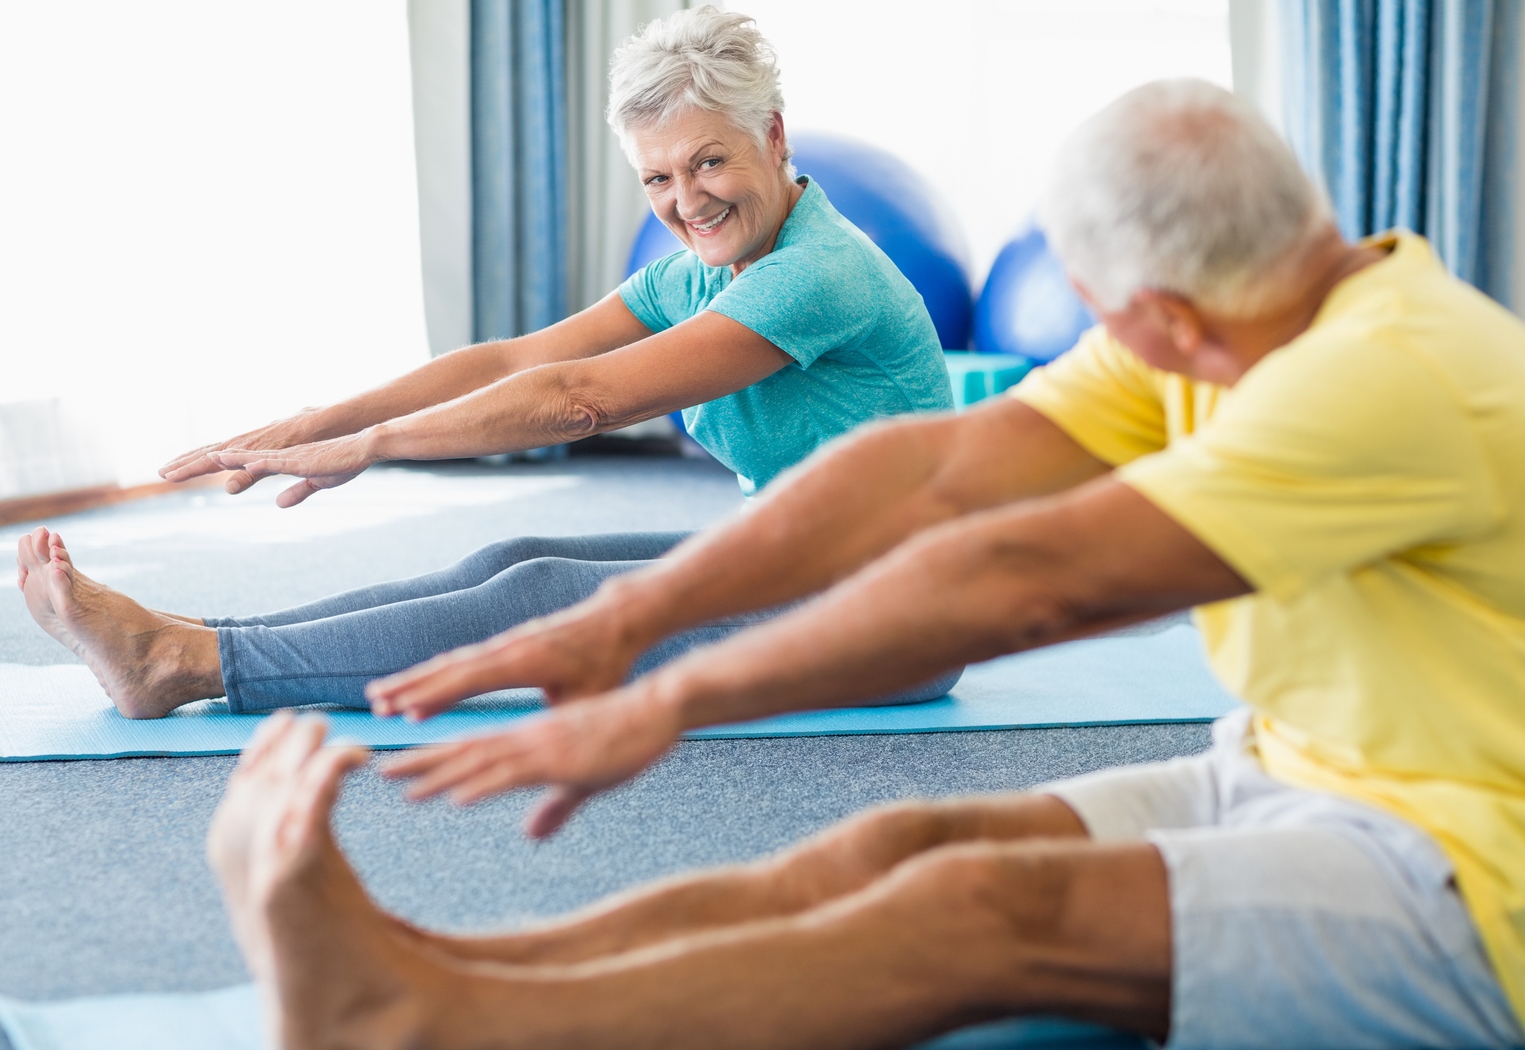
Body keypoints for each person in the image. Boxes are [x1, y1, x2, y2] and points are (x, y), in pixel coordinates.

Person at [212, 79, 1525, 1047]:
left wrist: (666, 693)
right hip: (1297, 768)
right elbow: (933, 469)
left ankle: (430, 1027)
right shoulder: (1230, 309)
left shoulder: (1386, 379)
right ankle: (428, 966)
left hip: (1475, 881)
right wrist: (639, 619)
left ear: (1161, 308)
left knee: (976, 907)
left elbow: (1027, 576)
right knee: (900, 838)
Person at [11, 7, 957, 720]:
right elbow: (516, 356)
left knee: (543, 598)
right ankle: (203, 644)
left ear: (774, 136)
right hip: (794, 560)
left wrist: (376, 445)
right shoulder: (703, 275)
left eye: (709, 163)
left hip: (892, 611)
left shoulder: (815, 275)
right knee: (515, 558)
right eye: (658, 178)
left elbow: (579, 399)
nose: (686, 201)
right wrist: (320, 421)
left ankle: (184, 667)